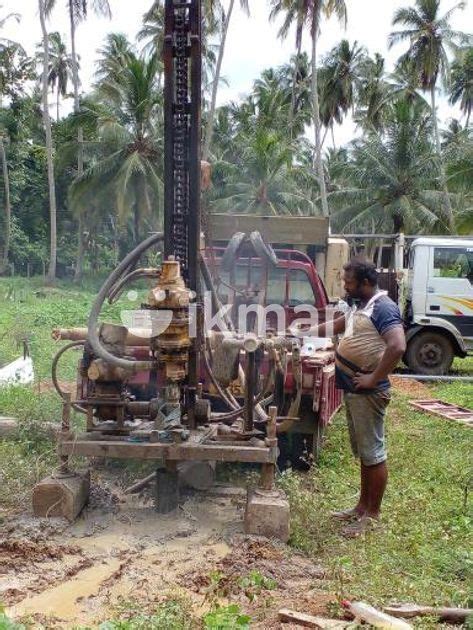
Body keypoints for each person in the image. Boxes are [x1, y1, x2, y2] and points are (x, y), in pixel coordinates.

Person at [292, 259, 406, 536]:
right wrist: (303, 332)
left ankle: (372, 515)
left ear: (366, 283)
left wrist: (374, 377)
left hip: (368, 391)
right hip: (355, 390)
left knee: (373, 454)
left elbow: (398, 346)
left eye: (349, 282)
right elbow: (340, 325)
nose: (345, 286)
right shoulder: (360, 306)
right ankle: (360, 508)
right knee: (364, 453)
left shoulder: (383, 308)